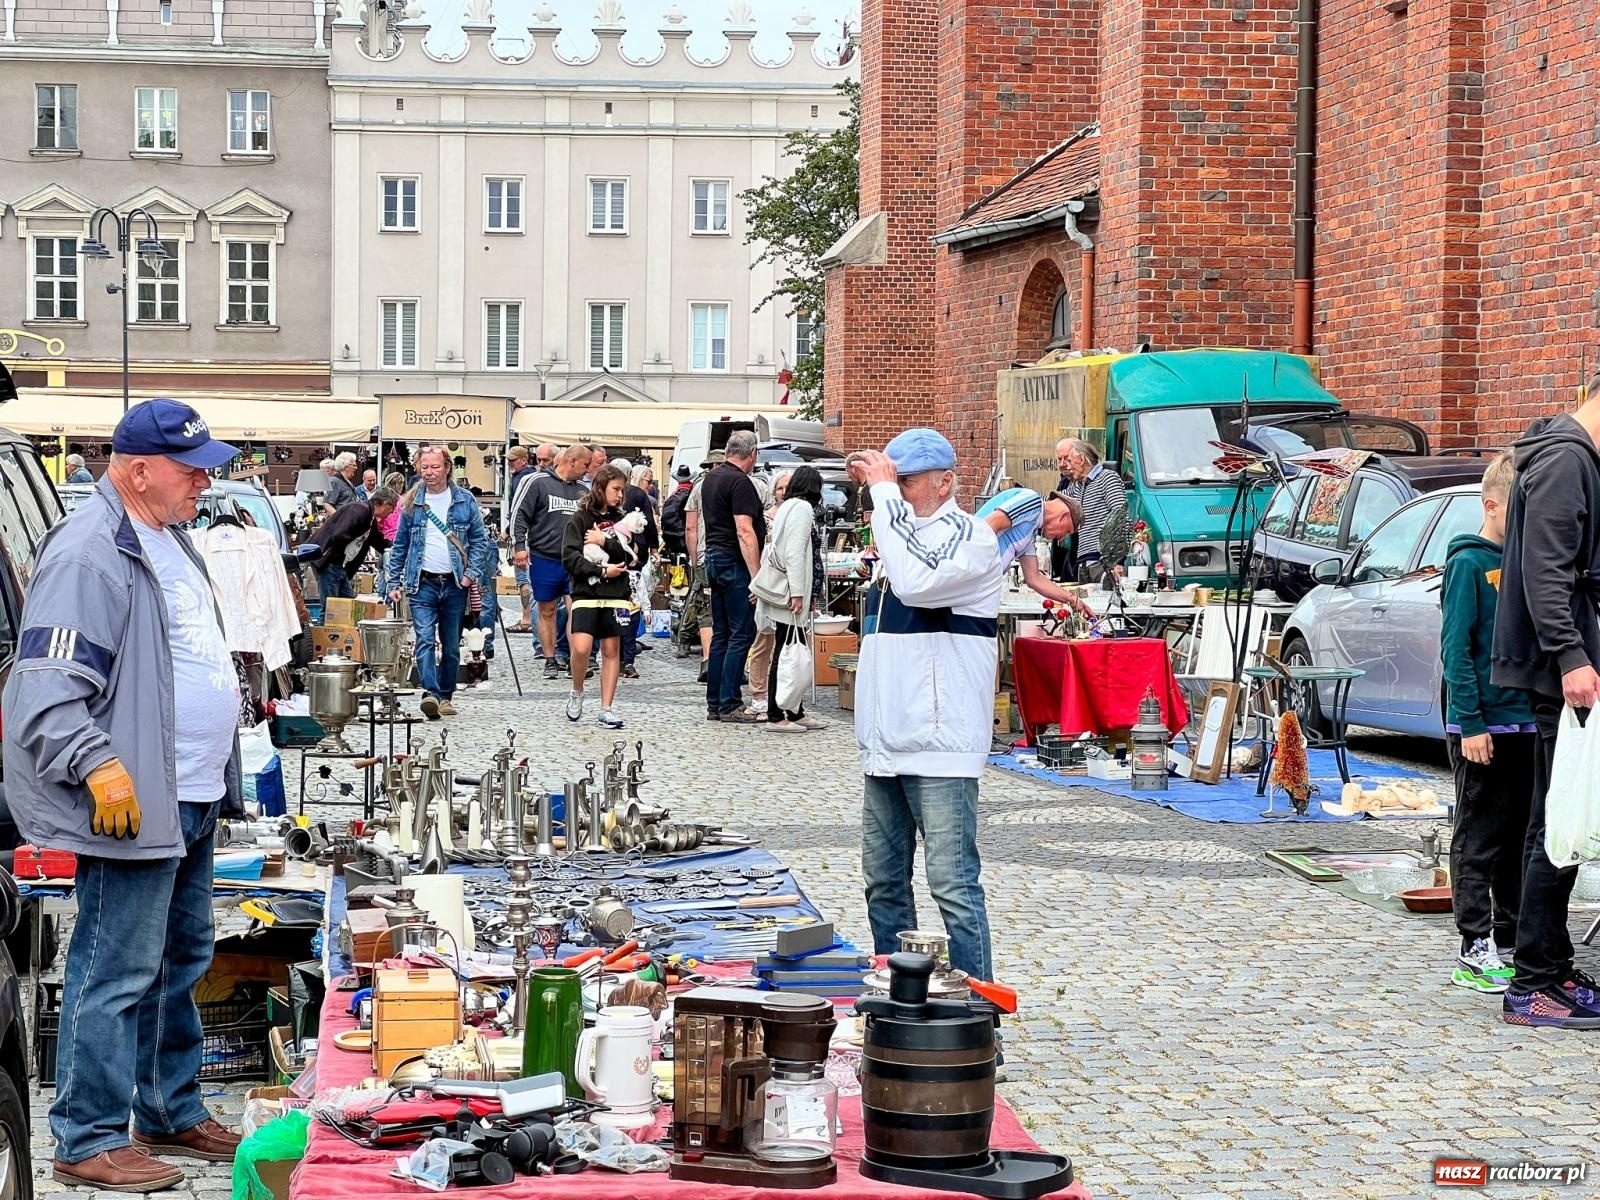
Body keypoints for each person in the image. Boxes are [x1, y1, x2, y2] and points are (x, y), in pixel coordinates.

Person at [4, 398, 246, 1191]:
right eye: (191, 469)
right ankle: (86, 1135)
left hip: (191, 788)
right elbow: (44, 688)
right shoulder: (88, 552)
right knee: (114, 967)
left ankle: (169, 1108)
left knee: (181, 960)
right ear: (138, 469)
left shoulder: (167, 538)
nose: (204, 482)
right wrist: (97, 764)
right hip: (136, 796)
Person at [848, 429, 1003, 982]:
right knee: (882, 880)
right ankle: (901, 1007)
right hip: (889, 740)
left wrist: (885, 498)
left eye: (906, 482)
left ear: (944, 482)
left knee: (953, 886)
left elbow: (916, 584)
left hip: (940, 744)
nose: (895, 491)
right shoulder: (897, 535)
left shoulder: (973, 538)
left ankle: (981, 1023)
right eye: (891, 481)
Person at [1492, 382, 1600, 1028]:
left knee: (1553, 815)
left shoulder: (1567, 457)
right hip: (1558, 672)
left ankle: (1551, 961)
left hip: (1558, 668)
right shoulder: (1567, 461)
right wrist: (1572, 657)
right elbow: (1546, 570)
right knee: (1556, 822)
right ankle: (1532, 980)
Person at [1439, 452, 1531, 995]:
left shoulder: (1524, 561)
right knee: (1479, 836)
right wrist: (1470, 723)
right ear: (1492, 506)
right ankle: (1474, 946)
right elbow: (1457, 650)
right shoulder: (1469, 564)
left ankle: (1511, 935)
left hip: (1523, 723)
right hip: (1482, 727)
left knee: (1518, 835)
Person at [386, 445, 490, 720]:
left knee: (452, 645)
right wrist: (393, 581)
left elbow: (480, 541)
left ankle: (446, 695)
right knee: (424, 639)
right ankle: (430, 693)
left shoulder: (464, 500)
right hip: (422, 581)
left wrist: (472, 573)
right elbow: (401, 544)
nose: (429, 472)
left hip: (455, 583)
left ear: (446, 468)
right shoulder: (412, 501)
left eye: (434, 467)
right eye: (424, 467)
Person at [753, 466, 828, 732]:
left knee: (789, 649)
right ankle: (777, 714)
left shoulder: (787, 506)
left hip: (787, 590)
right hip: (790, 592)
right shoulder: (803, 509)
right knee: (788, 651)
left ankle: (794, 710)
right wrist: (798, 592)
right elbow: (795, 553)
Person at [561, 464, 634, 728]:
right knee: (581, 648)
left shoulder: (622, 521)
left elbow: (631, 556)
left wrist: (605, 542)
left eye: (622, 490)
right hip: (586, 592)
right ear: (600, 487)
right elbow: (570, 557)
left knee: (611, 649)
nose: (619, 495)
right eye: (615, 489)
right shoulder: (579, 519)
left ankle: (606, 707)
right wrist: (601, 570)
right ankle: (577, 690)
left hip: (617, 594)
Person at [702, 431, 766, 722]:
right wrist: (757, 576)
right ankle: (729, 703)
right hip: (735, 562)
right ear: (752, 453)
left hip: (714, 558)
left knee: (722, 634)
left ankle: (715, 702)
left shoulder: (712, 478)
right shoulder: (740, 482)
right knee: (741, 634)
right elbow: (744, 530)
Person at [512, 445, 587, 679]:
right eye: (584, 465)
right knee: (547, 609)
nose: (586, 471)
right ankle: (550, 659)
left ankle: (576, 658)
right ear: (572, 461)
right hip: (544, 556)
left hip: (575, 559)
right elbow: (519, 514)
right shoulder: (537, 482)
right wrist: (519, 547)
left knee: (577, 609)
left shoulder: (583, 490)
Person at [977, 487, 1095, 618]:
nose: (1061, 538)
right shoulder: (1033, 502)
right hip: (972, 579)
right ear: (1063, 516)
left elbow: (1034, 578)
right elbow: (987, 526)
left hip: (981, 590)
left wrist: (1072, 598)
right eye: (1067, 531)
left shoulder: (1030, 533)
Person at [311, 488, 398, 604]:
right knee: (331, 608)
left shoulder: (369, 517)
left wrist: (397, 549)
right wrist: (337, 559)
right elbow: (339, 535)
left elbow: (378, 541)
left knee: (348, 603)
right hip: (329, 561)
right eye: (392, 507)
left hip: (337, 563)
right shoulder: (359, 511)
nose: (392, 512)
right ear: (385, 503)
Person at [1061, 438, 1127, 582]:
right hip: (1084, 562)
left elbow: (1121, 518)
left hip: (1104, 562)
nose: (1066, 466)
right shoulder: (1077, 486)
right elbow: (1053, 502)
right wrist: (1021, 493)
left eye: (1069, 461)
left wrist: (1118, 561)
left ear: (1082, 459)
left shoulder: (1107, 478)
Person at [747, 472, 784, 720]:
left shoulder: (799, 516)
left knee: (785, 644)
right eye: (781, 487)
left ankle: (783, 693)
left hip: (787, 587)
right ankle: (758, 693)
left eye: (789, 487)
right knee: (763, 641)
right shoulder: (766, 519)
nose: (784, 491)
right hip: (768, 583)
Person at [619, 463, 660, 680]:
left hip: (618, 563)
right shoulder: (637, 495)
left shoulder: (609, 493)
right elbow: (650, 524)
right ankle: (626, 658)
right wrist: (652, 548)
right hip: (633, 560)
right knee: (628, 611)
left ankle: (620, 657)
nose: (650, 485)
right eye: (648, 481)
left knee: (622, 613)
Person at [676, 459, 716, 676]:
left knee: (704, 607)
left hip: (704, 555)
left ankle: (708, 660)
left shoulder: (700, 488)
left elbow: (690, 527)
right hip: (735, 557)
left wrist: (694, 558)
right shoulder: (745, 482)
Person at [505, 446, 538, 632]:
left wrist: (511, 531)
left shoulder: (521, 479)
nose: (510, 463)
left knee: (523, 577)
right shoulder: (533, 477)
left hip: (523, 534)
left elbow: (519, 510)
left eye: (513, 460)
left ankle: (527, 618)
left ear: (524, 460)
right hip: (530, 533)